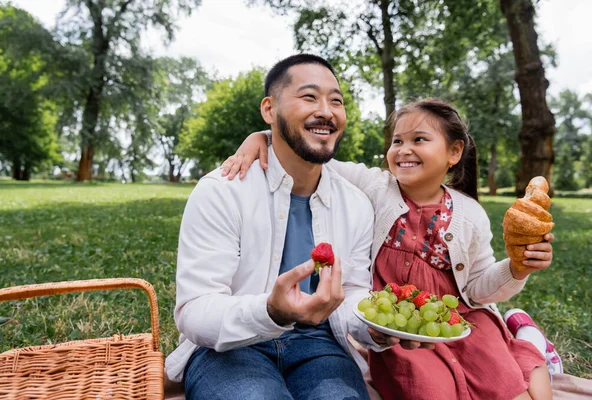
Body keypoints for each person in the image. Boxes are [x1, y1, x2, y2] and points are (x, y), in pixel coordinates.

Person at [222, 98, 556, 399]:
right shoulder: (375, 187)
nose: (403, 149)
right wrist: (262, 138)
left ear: (454, 153)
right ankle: (524, 342)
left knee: (517, 389)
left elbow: (478, 287)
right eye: (397, 141)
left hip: (461, 321)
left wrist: (516, 268)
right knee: (427, 391)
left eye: (419, 140)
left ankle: (530, 342)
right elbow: (311, 155)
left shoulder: (470, 214)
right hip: (400, 329)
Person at [165, 54, 399, 400]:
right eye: (309, 97)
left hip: (322, 348)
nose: (326, 110)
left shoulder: (355, 203)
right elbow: (196, 310)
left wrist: (373, 327)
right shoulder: (222, 191)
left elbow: (350, 291)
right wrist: (270, 311)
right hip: (229, 351)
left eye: (336, 100)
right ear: (269, 110)